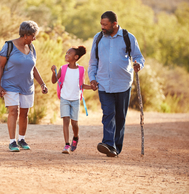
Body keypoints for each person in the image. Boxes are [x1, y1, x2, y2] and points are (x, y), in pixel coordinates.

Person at [88, 11, 145, 157]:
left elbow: (138, 56)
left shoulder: (128, 37)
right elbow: (93, 61)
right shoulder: (98, 37)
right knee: (108, 113)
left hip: (123, 84)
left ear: (114, 24)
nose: (102, 27)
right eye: (101, 24)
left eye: (105, 24)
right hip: (103, 83)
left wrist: (138, 64)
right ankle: (108, 143)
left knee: (120, 117)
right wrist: (92, 78)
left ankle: (115, 148)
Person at [0, 21, 48, 152]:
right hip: (10, 85)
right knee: (14, 111)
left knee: (24, 113)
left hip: (27, 86)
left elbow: (33, 68)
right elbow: (0, 67)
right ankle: (12, 142)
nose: (34, 38)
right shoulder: (9, 46)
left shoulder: (31, 48)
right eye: (33, 36)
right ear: (25, 35)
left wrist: (42, 84)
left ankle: (22, 139)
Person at [51, 46, 93, 154]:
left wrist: (92, 87)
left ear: (76, 57)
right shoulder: (63, 68)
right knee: (66, 120)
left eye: (69, 53)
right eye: (66, 52)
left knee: (74, 124)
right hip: (64, 98)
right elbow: (54, 81)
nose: (66, 54)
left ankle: (75, 137)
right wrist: (53, 72)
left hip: (75, 100)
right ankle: (66, 145)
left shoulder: (81, 70)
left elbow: (82, 85)